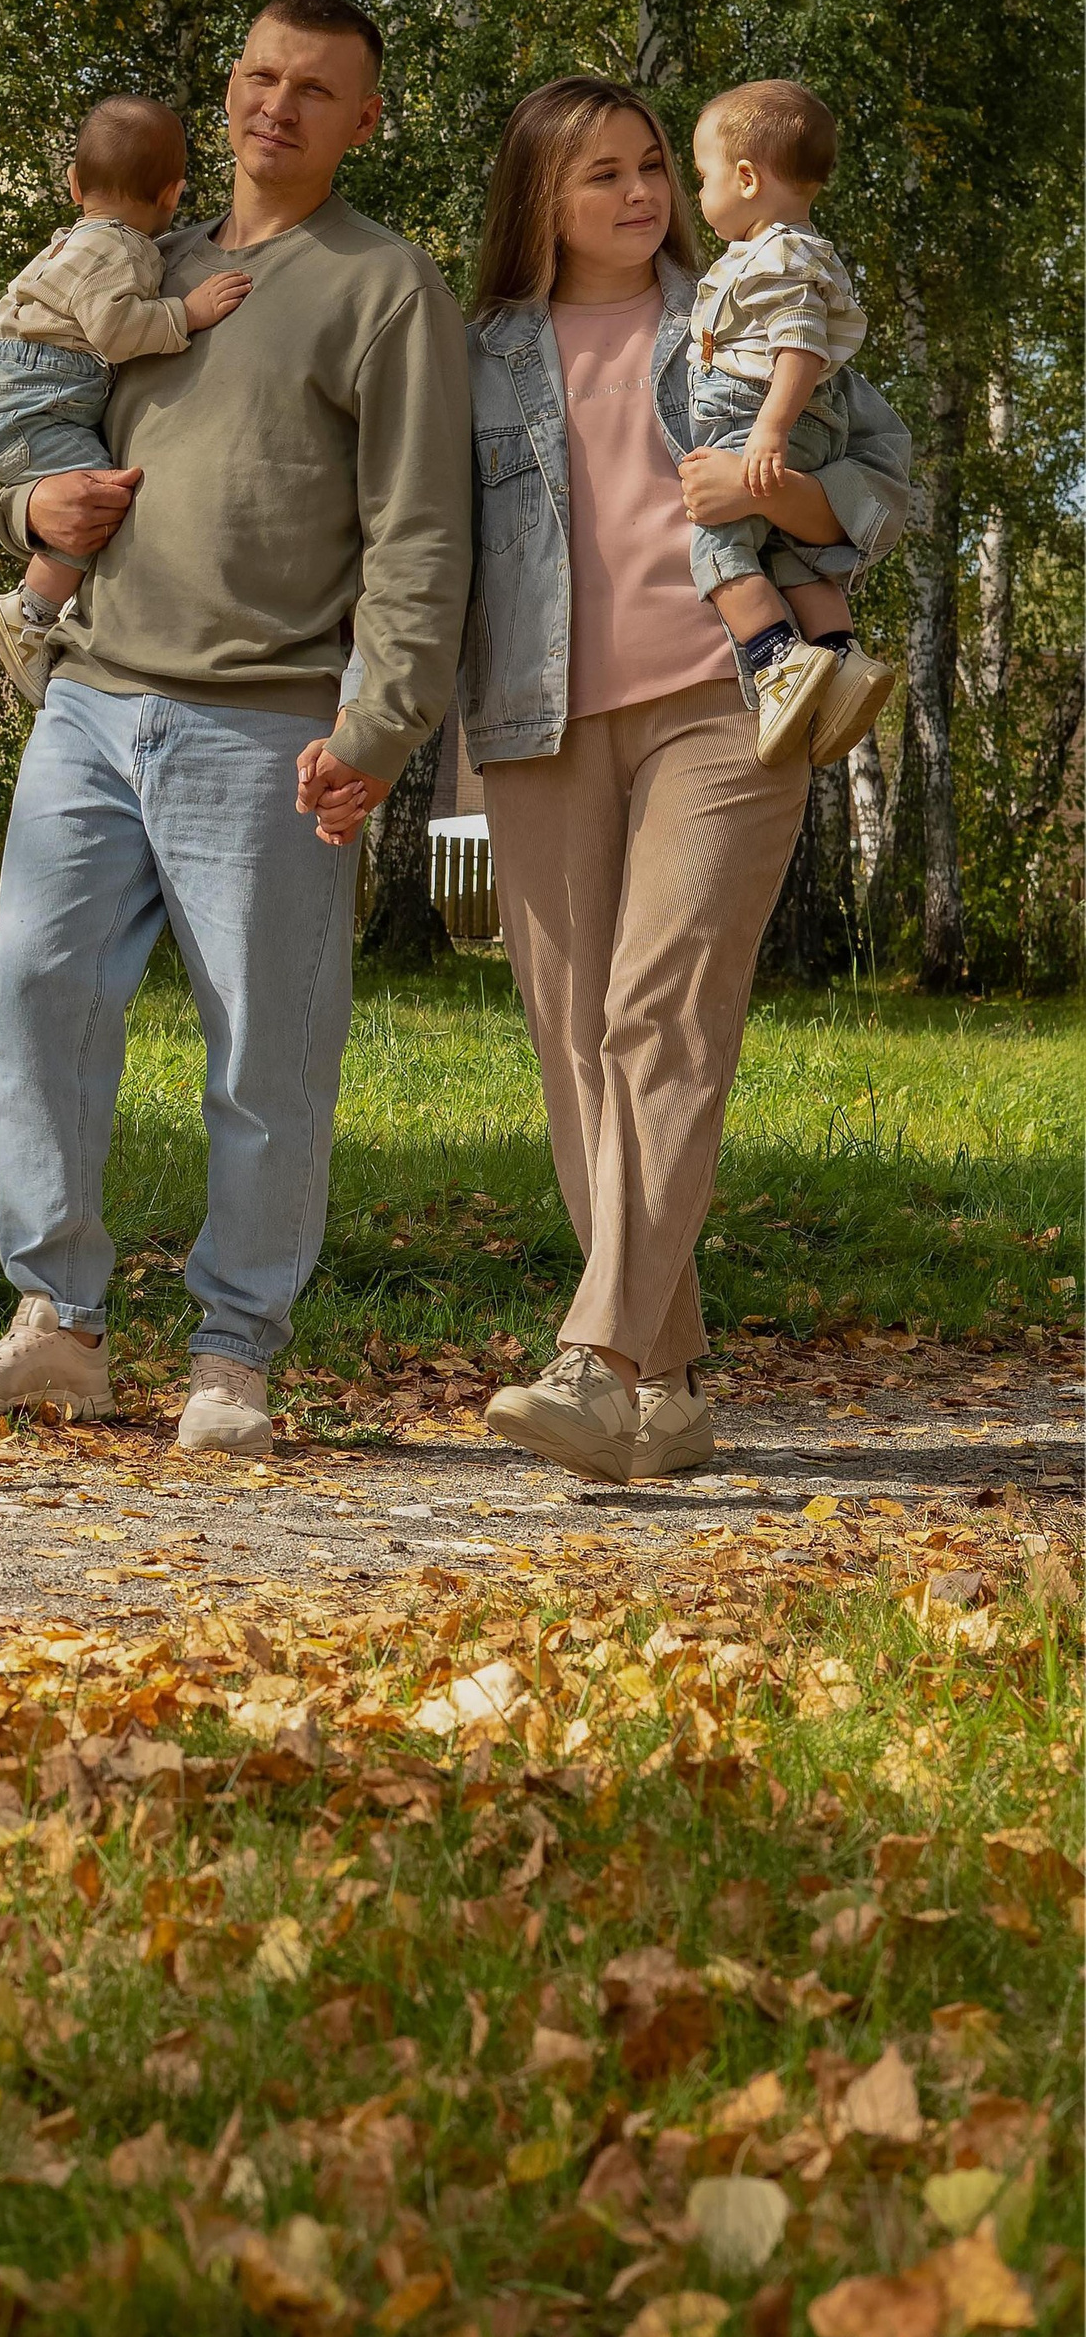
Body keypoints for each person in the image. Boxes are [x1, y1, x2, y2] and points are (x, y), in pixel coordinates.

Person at [0, 0, 471, 1455]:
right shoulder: (137, 260)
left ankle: (233, 1359)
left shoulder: (383, 285)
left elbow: (420, 528)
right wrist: (25, 515)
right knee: (33, 986)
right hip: (92, 700)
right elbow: (30, 430)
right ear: (227, 89)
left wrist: (381, 723)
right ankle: (59, 1323)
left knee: (265, 1051)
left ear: (364, 120)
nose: (277, 105)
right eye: (259, 75)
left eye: (316, 88)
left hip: (268, 721)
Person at [457, 77, 912, 1487]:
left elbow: (882, 481)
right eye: (601, 173)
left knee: (659, 1012)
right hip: (535, 722)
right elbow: (427, 551)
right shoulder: (476, 355)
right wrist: (404, 748)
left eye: (653, 163)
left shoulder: (744, 302)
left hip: (730, 700)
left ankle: (595, 1360)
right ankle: (671, 1386)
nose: (641, 192)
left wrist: (771, 494)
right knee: (574, 1043)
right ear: (539, 196)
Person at [0, 95, 252, 708]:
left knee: (92, 496)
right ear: (173, 194)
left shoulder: (81, 240)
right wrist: (186, 313)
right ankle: (29, 612)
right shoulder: (117, 249)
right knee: (97, 499)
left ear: (74, 183)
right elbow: (114, 330)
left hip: (21, 392)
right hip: (37, 400)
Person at [683, 79, 895, 765]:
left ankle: (777, 657)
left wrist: (770, 430)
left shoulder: (776, 254)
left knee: (716, 543)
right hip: (795, 421)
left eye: (703, 177)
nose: (699, 193)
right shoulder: (797, 250)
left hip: (759, 414)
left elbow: (798, 346)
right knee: (785, 548)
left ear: (747, 178)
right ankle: (841, 656)